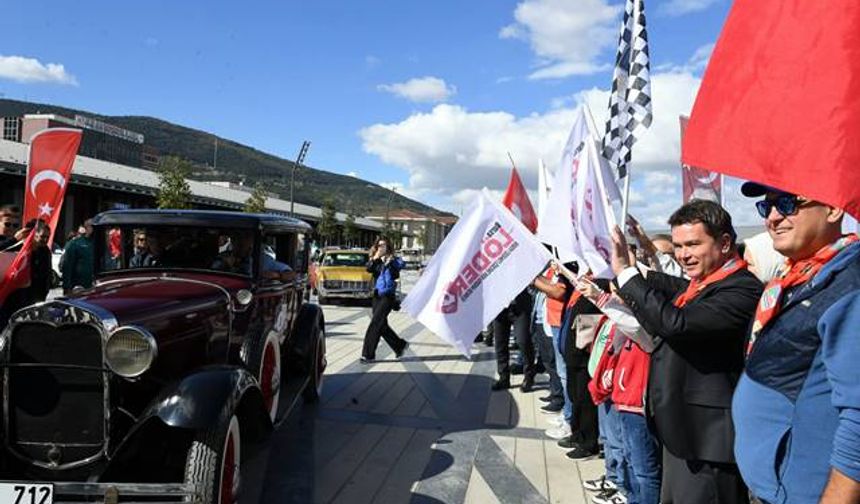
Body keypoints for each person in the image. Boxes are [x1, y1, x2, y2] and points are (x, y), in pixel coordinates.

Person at [611, 199, 762, 504]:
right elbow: (673, 286)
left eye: (693, 244)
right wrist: (632, 270)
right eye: (678, 246)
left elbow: (677, 324)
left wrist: (628, 277)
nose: (683, 255)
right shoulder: (702, 284)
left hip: (708, 443)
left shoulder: (741, 288)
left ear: (724, 243)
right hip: (684, 434)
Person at [732, 184, 860, 503]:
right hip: (773, 486)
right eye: (767, 207)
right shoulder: (797, 278)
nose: (773, 217)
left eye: (787, 204)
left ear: (832, 208)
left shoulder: (849, 286)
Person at [361, 237, 408, 363]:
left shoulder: (393, 260)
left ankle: (368, 354)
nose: (382, 248)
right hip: (377, 295)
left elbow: (400, 266)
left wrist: (390, 261)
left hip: (388, 296)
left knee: (375, 323)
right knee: (382, 325)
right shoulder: (374, 260)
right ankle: (399, 345)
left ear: (388, 247)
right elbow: (369, 269)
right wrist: (376, 257)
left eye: (384, 245)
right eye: (379, 245)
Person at [490, 288, 535, 391]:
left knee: (523, 341)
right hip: (499, 307)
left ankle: (529, 375)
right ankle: (503, 377)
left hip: (520, 306)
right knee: (500, 344)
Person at [62, 219, 94, 294]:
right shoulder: (74, 244)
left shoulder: (99, 244)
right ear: (87, 228)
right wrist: (67, 287)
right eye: (92, 226)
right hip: (79, 287)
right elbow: (67, 266)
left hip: (95, 285)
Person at [29, 221, 52, 303]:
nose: (45, 239)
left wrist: (48, 286)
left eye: (47, 237)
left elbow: (48, 270)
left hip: (42, 292)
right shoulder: (28, 250)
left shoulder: (46, 251)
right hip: (28, 292)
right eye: (42, 236)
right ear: (35, 235)